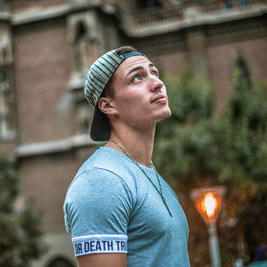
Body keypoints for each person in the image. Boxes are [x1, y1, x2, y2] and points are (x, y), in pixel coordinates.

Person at [63, 46, 190, 266]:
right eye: (137, 78)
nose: (157, 83)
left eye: (154, 73)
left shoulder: (149, 173)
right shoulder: (100, 181)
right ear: (108, 105)